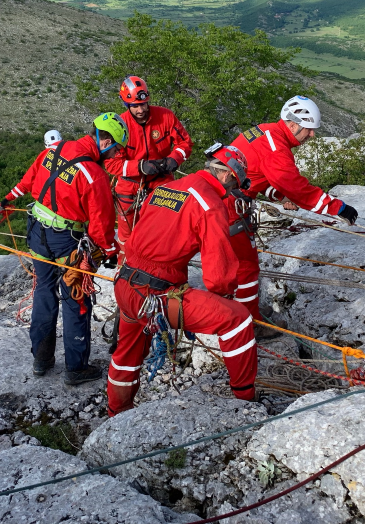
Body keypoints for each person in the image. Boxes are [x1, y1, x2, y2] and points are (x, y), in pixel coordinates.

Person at [107, 144, 258, 415]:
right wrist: (225, 297)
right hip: (157, 295)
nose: (234, 188)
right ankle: (244, 402)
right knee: (238, 320)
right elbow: (218, 275)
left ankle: (115, 414)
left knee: (127, 355)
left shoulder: (166, 189)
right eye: (237, 182)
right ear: (226, 175)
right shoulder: (210, 203)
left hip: (126, 284)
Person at [7, 113, 126, 385]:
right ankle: (76, 367)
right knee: (75, 298)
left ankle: (42, 359)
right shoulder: (94, 175)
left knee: (44, 292)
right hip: (66, 239)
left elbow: (31, 178)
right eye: (115, 148)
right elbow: (101, 223)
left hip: (37, 231)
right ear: (104, 140)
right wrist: (108, 251)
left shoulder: (56, 149)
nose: (115, 154)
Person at [230, 96, 358, 326]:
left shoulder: (264, 131)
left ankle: (239, 312)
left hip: (224, 197)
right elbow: (295, 185)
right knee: (247, 267)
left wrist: (279, 195)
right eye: (308, 130)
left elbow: (257, 176)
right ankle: (249, 324)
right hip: (229, 207)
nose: (312, 135)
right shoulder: (275, 147)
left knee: (235, 263)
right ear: (292, 124)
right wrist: (337, 207)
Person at [105, 76, 192, 247]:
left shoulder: (165, 117)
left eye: (143, 104)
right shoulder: (119, 126)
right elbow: (112, 164)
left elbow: (185, 143)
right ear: (127, 105)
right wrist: (140, 167)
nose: (141, 110)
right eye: (135, 106)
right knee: (126, 237)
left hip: (161, 180)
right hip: (130, 185)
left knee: (164, 231)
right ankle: (125, 269)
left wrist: (174, 159)